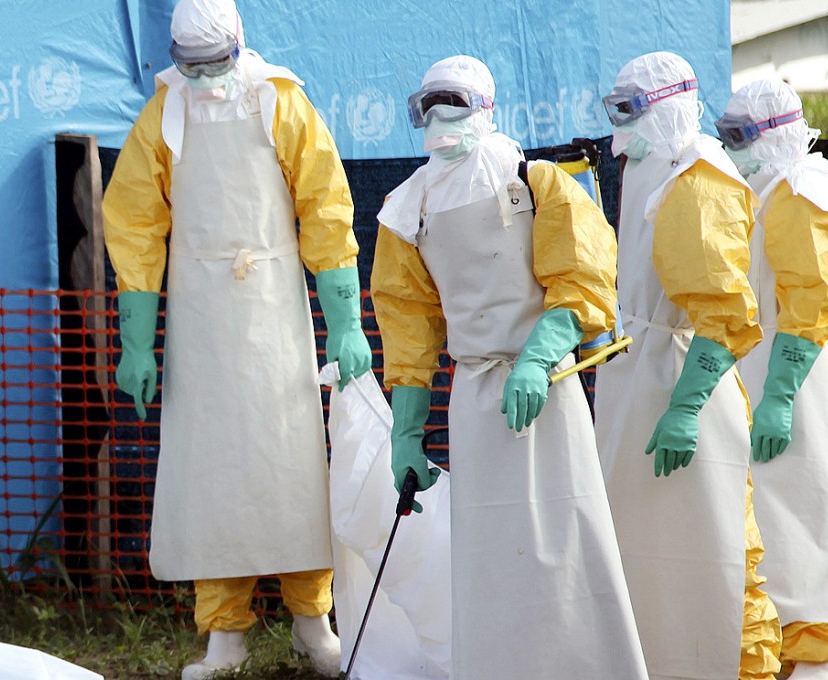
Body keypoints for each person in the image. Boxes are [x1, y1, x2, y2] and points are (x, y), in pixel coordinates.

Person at [101, 0, 372, 677]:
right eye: (192, 67)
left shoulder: (280, 103)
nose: (207, 77)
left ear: (240, 46)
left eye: (217, 63)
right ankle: (224, 634)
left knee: (294, 468)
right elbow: (134, 225)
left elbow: (326, 208)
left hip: (276, 310)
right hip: (201, 322)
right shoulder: (163, 116)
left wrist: (344, 323)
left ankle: (314, 620)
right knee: (210, 472)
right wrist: (136, 343)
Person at [370, 54, 648, 679]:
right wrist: (406, 434)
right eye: (429, 108)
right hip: (474, 398)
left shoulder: (535, 181)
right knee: (491, 555)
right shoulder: (406, 209)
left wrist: (540, 356)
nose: (441, 121)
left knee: (566, 538)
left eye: (455, 106)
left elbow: (583, 279)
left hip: (547, 389)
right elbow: (408, 325)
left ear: (486, 109)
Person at [594, 51, 782, 679]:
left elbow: (725, 311)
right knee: (649, 552)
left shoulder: (698, 179)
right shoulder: (655, 166)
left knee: (722, 554)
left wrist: (686, 406)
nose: (621, 128)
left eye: (631, 108)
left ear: (668, 104)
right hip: (640, 376)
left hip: (681, 384)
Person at [718, 79, 828, 680]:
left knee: (800, 548)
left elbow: (812, 302)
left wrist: (780, 397)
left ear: (776, 133)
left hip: (793, 386)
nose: (728, 147)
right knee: (772, 536)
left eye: (738, 136)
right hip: (755, 382)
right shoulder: (759, 193)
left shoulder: (798, 191)